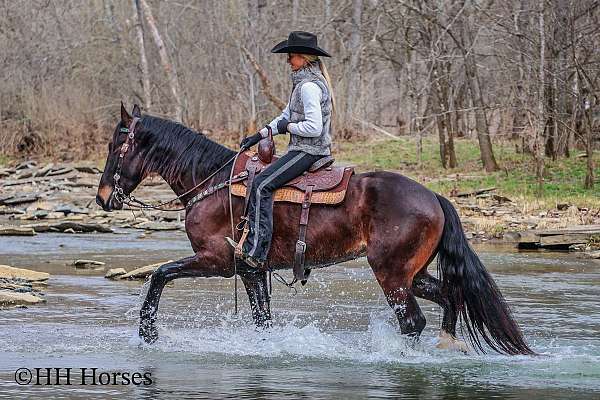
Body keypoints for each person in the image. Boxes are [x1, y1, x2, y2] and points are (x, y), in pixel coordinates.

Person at [227, 31, 334, 270]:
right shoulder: (301, 84)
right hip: (301, 147)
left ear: (304, 58)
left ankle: (257, 250)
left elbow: (314, 127)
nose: (288, 61)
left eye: (291, 56)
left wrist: (289, 127)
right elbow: (284, 117)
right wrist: (260, 134)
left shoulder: (308, 87)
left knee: (262, 185)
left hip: (309, 150)